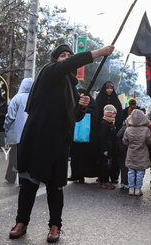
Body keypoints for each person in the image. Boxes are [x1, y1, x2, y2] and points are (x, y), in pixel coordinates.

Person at [9, 44, 114, 243]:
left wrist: (81, 108)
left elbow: (73, 117)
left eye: (68, 55)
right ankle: (21, 222)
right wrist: (99, 53)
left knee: (55, 187)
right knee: (29, 184)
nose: (66, 58)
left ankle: (55, 226)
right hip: (39, 137)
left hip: (59, 141)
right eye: (62, 55)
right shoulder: (49, 72)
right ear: (55, 59)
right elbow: (69, 63)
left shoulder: (72, 89)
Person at [4, 78, 33, 184]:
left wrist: (6, 128)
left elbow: (10, 116)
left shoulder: (17, 98)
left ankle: (10, 177)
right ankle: (23, 179)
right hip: (30, 133)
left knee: (13, 156)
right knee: (26, 157)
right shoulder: (34, 98)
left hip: (14, 132)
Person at [68, 88, 101, 184]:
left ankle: (82, 175)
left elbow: (95, 117)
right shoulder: (75, 104)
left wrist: (83, 110)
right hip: (75, 136)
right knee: (75, 156)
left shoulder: (92, 105)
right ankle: (75, 175)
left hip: (87, 137)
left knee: (83, 157)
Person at [123, 109, 151, 196]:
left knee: (130, 171)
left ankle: (131, 188)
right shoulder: (145, 130)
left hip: (131, 154)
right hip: (142, 155)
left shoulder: (128, 129)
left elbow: (125, 141)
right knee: (140, 172)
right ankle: (138, 189)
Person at [98, 105, 118, 190]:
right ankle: (104, 181)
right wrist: (104, 149)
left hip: (109, 147)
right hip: (106, 148)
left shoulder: (110, 122)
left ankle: (103, 180)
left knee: (107, 164)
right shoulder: (104, 123)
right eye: (114, 113)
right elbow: (102, 137)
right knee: (105, 164)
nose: (115, 115)